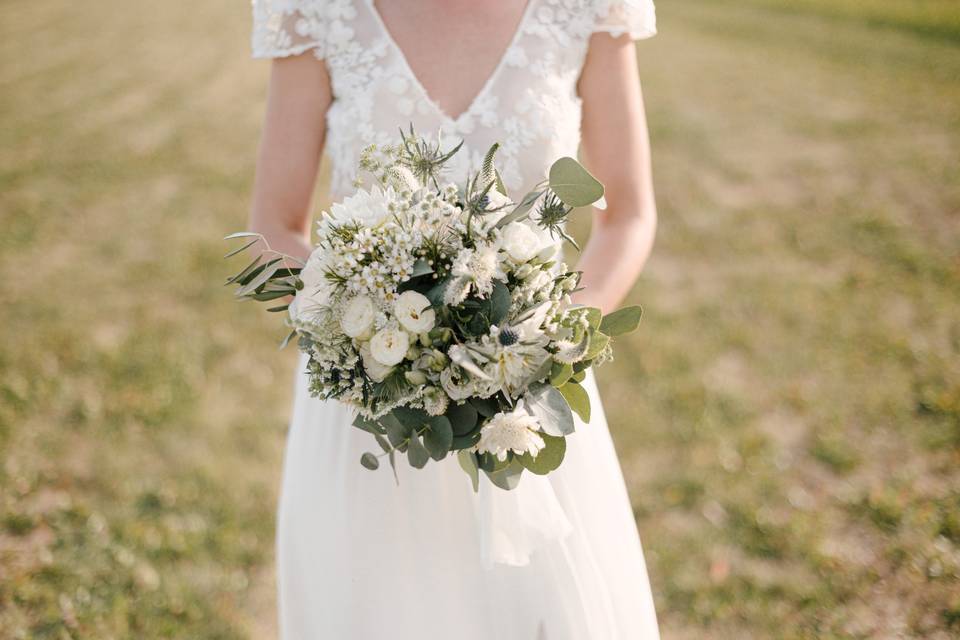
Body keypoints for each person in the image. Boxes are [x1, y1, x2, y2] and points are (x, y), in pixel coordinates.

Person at [249, 1, 660, 637]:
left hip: (530, 393)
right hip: (367, 411)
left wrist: (545, 344)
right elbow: (273, 227)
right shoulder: (317, 10)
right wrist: (379, 340)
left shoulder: (590, 8)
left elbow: (628, 212)